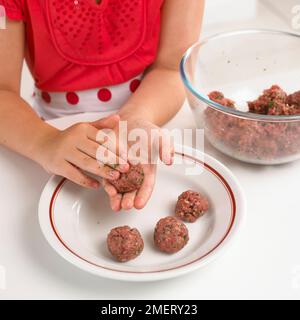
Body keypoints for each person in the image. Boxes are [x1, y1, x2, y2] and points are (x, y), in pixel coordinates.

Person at [0, 0, 204, 211]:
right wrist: (45, 141)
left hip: (149, 121)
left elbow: (171, 69)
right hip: (39, 136)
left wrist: (132, 119)